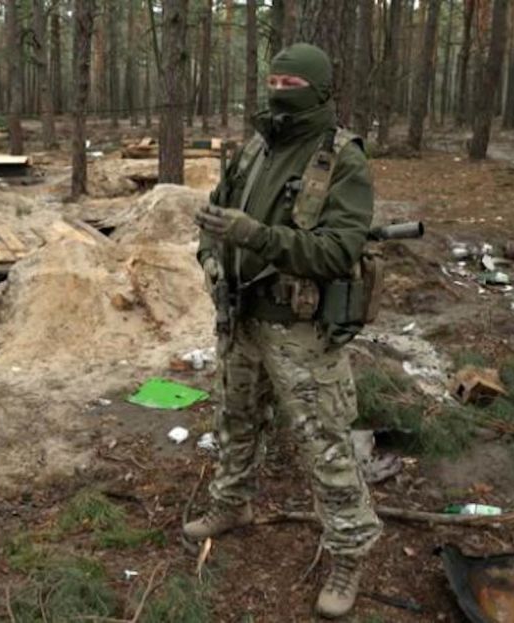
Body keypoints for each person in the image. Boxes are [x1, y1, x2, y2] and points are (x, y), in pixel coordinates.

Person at [188, 43, 381, 619]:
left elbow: (338, 249)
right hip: (241, 315)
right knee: (235, 416)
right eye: (273, 77)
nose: (279, 86)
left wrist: (256, 237)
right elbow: (217, 212)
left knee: (324, 442)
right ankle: (232, 502)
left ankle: (349, 550)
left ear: (319, 90)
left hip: (300, 330)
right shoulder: (255, 145)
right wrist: (211, 257)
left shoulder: (342, 159)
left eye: (292, 79)